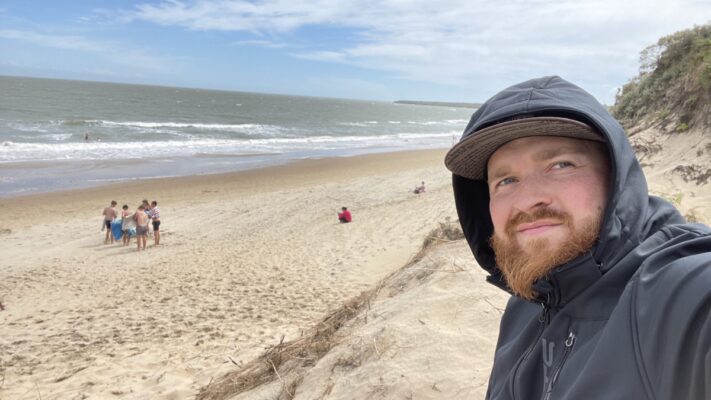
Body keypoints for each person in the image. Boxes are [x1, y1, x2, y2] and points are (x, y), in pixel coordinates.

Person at [445, 76, 710, 399]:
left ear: (614, 177)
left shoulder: (674, 293)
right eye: (506, 180)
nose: (528, 199)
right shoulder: (526, 299)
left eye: (560, 165)